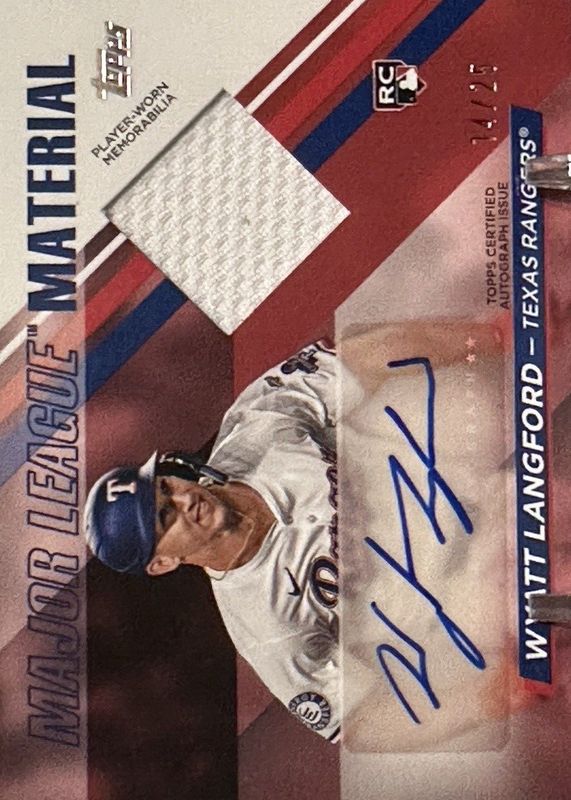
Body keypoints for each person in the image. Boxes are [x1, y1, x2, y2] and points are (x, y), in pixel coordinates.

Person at [84, 340, 341, 742]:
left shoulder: (256, 429)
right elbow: (362, 717)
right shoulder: (267, 629)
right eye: (165, 516)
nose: (185, 499)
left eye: (166, 486)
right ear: (163, 563)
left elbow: (357, 361)